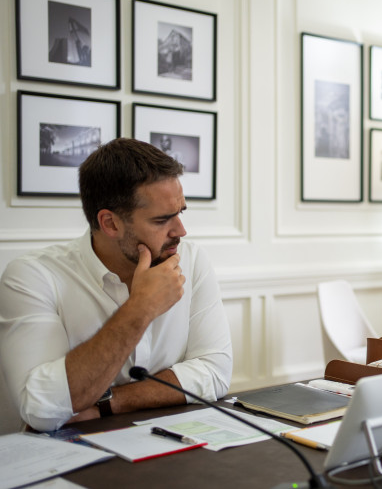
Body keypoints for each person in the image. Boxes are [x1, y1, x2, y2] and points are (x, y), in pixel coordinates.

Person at [0, 138, 232, 431]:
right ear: (110, 223)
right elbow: (41, 409)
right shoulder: (32, 277)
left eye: (180, 212)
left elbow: (214, 372)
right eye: (162, 220)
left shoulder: (192, 259)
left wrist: (109, 403)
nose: (181, 231)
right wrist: (140, 309)